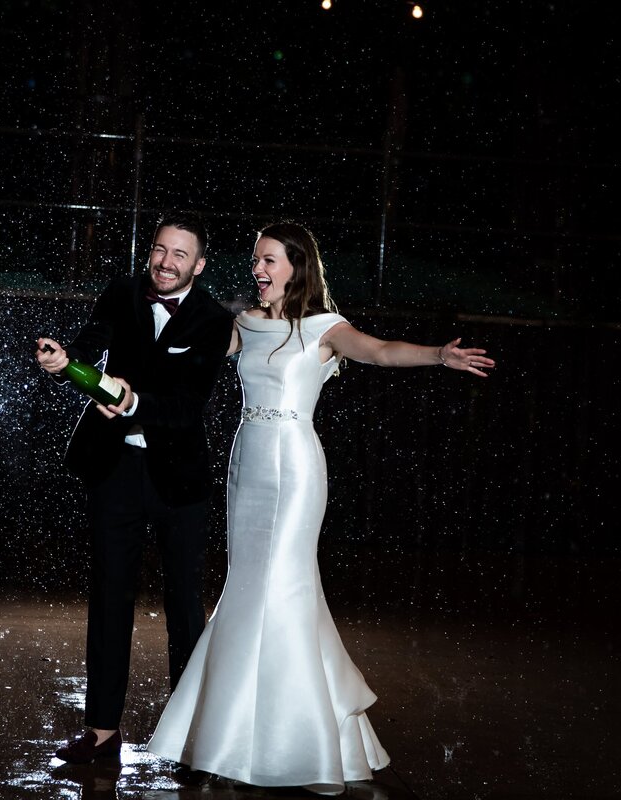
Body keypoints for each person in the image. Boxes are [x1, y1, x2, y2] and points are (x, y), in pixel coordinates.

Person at [145, 221, 496, 795]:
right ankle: (232, 736)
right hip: (247, 463)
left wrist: (438, 354)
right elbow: (186, 349)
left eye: (269, 261)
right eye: (255, 260)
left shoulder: (324, 327)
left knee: (280, 587)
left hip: (295, 466)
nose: (257, 269)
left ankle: (293, 740)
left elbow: (380, 352)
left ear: (296, 266)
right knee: (246, 587)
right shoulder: (244, 324)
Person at [35, 210, 236, 764]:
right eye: (159, 250)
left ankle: (193, 735)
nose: (165, 262)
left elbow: (189, 404)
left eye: (179, 254)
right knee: (109, 598)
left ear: (198, 264)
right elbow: (91, 341)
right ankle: (101, 734)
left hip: (179, 479)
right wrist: (64, 360)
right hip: (116, 469)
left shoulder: (213, 320)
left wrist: (134, 402)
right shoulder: (121, 292)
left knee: (184, 606)